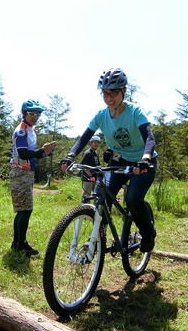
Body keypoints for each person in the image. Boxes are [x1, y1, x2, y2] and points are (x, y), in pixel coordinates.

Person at [61, 67, 157, 253]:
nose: (109, 98)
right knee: (101, 198)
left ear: (123, 92)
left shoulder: (135, 112)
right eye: (105, 94)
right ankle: (98, 237)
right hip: (119, 162)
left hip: (142, 164)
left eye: (114, 93)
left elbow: (150, 137)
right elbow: (84, 138)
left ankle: (148, 233)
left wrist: (145, 159)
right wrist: (70, 156)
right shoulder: (101, 116)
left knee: (133, 199)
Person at [9, 100, 57, 257]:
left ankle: (17, 243)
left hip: (26, 172)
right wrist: (41, 151)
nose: (35, 117)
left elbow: (33, 154)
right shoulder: (22, 130)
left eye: (38, 114)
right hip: (20, 172)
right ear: (24, 113)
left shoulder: (30, 130)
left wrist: (46, 152)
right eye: (31, 114)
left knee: (23, 210)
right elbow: (23, 153)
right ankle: (20, 244)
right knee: (25, 210)